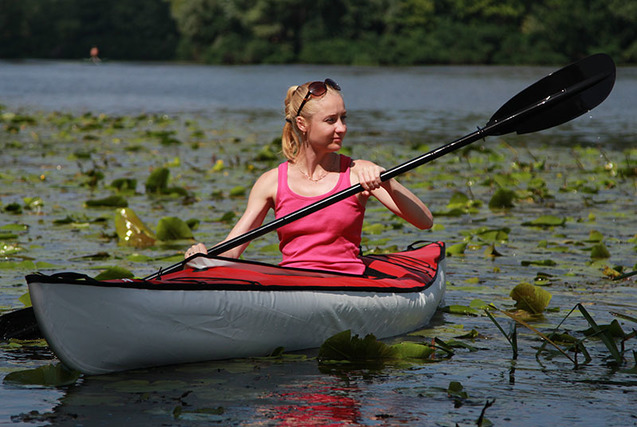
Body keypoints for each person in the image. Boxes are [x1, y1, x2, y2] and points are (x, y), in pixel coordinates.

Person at [185, 79, 433, 274]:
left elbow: (425, 222)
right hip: (294, 284)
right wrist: (202, 257)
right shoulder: (271, 182)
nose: (342, 128)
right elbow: (232, 251)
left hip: (348, 285)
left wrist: (388, 181)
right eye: (330, 121)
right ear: (302, 124)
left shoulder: (358, 172)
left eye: (343, 118)